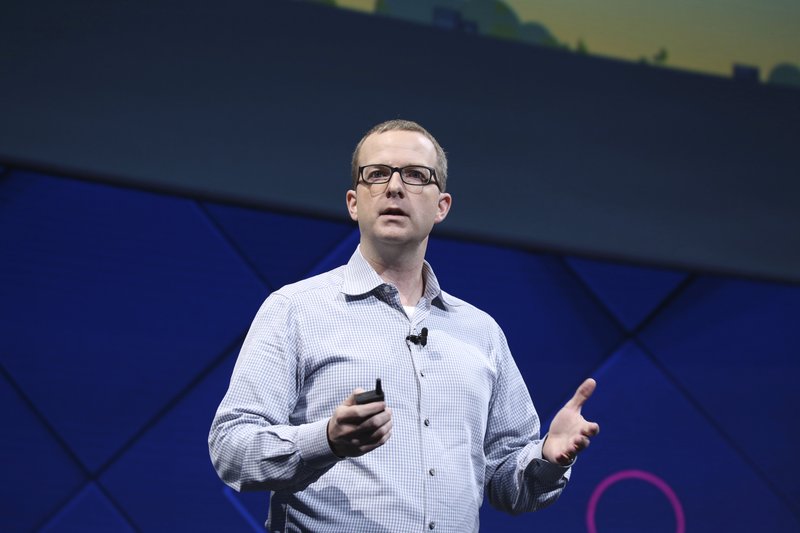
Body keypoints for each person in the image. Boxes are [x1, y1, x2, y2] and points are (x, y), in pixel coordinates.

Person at [208, 119, 600, 532]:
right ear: (353, 202)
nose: (394, 187)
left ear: (442, 206)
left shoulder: (481, 333)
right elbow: (232, 449)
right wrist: (326, 440)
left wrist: (546, 457)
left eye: (415, 175)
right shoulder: (295, 310)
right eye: (376, 175)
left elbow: (509, 484)